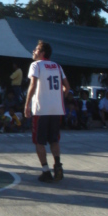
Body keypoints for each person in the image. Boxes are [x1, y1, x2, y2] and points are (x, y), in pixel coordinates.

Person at [24, 40, 70, 183]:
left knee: (39, 141)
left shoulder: (36, 65)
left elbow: (33, 84)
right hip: (57, 109)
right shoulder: (57, 66)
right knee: (54, 140)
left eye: (36, 49)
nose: (34, 51)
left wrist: (26, 105)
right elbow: (67, 88)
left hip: (41, 109)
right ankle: (58, 165)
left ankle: (45, 172)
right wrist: (56, 97)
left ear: (42, 53)